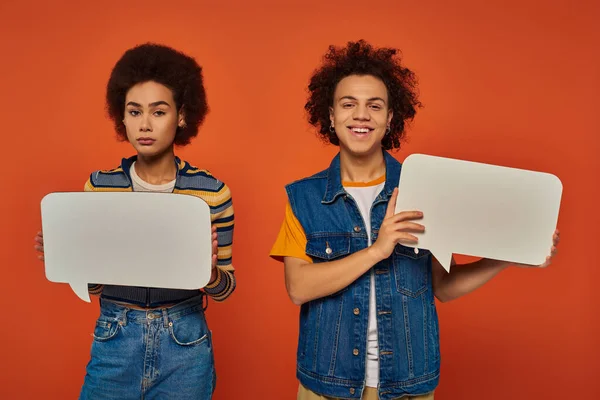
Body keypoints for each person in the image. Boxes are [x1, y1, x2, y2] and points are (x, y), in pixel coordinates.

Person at [270, 40, 559, 400]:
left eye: (374, 106)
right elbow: (298, 287)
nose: (361, 115)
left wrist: (507, 256)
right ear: (330, 116)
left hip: (408, 388)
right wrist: (378, 250)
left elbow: (444, 287)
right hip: (326, 388)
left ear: (390, 118)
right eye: (349, 104)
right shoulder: (304, 198)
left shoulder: (427, 188)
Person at [34, 43, 235, 399]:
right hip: (115, 336)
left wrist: (210, 273)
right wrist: (69, 258)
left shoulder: (212, 193)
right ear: (121, 117)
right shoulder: (98, 187)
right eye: (134, 111)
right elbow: (95, 286)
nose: (144, 124)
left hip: (185, 342)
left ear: (182, 116)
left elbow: (225, 289)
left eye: (158, 112)